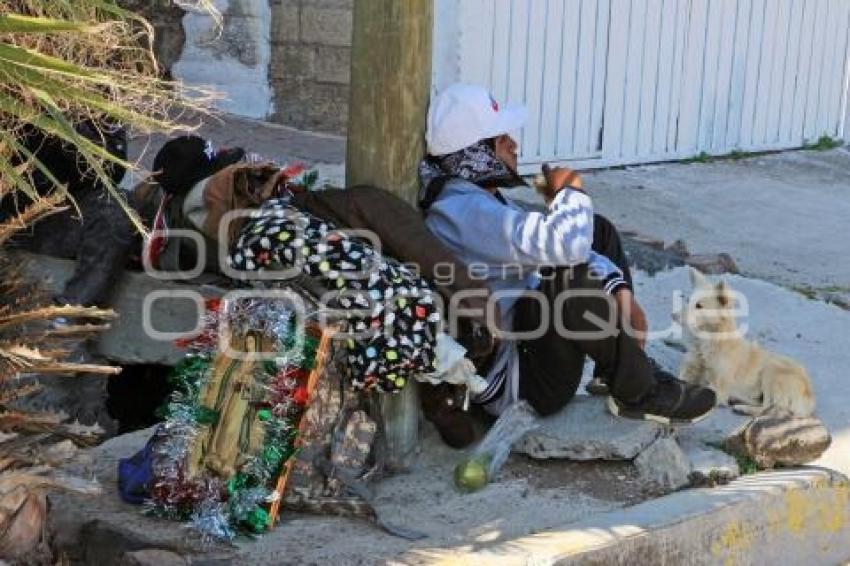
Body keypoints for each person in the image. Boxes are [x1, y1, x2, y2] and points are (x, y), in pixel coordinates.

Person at [419, 84, 715, 445]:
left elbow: (578, 245)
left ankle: (618, 366)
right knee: (564, 278)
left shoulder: (479, 200)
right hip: (522, 382)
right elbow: (567, 249)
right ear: (474, 154)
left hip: (532, 341)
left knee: (597, 230)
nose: (513, 145)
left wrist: (619, 292)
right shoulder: (463, 212)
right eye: (500, 140)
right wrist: (570, 191)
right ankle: (639, 391)